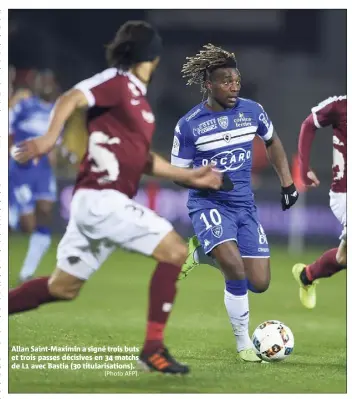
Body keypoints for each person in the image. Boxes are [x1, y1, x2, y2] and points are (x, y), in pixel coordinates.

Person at [9, 21, 223, 375]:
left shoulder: (137, 100)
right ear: (152, 57)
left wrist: (189, 176)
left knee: (62, 287)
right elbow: (71, 98)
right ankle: (153, 350)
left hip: (100, 204)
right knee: (175, 251)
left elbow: (143, 160)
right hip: (101, 199)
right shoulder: (117, 81)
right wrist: (49, 139)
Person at [170, 44, 298, 362]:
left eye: (236, 80)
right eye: (226, 81)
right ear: (208, 83)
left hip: (244, 206)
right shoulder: (190, 125)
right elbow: (177, 173)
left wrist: (288, 182)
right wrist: (207, 178)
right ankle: (243, 345)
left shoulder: (252, 111)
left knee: (260, 282)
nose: (233, 86)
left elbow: (273, 141)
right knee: (235, 269)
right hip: (208, 204)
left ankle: (199, 251)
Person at [292, 95, 347, 309]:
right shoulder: (341, 106)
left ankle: (307, 275)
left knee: (343, 258)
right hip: (345, 194)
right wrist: (304, 167)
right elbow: (308, 124)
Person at [9, 70, 59, 282]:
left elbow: (55, 143)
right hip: (21, 169)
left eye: (50, 81)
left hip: (43, 169)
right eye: (43, 81)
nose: (47, 85)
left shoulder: (57, 112)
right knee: (27, 224)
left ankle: (27, 272)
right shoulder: (25, 105)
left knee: (45, 212)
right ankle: (12, 217)